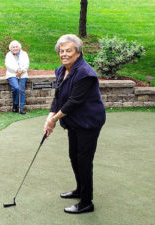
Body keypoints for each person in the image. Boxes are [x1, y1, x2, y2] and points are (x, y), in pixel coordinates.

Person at [44, 34, 106, 214]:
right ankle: (80, 190)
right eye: (61, 51)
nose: (64, 54)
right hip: (74, 122)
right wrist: (49, 117)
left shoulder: (85, 74)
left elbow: (73, 102)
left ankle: (87, 202)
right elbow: (58, 97)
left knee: (84, 161)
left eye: (68, 50)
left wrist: (54, 120)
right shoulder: (61, 71)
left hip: (89, 122)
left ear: (78, 52)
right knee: (74, 156)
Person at [5, 40, 29, 114]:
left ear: (19, 47)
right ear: (11, 48)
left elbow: (27, 64)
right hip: (12, 74)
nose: (15, 48)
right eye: (13, 47)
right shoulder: (8, 55)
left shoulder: (24, 54)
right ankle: (15, 104)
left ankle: (21, 108)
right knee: (16, 88)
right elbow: (8, 65)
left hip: (23, 74)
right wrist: (17, 70)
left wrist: (21, 71)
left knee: (21, 90)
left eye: (16, 46)